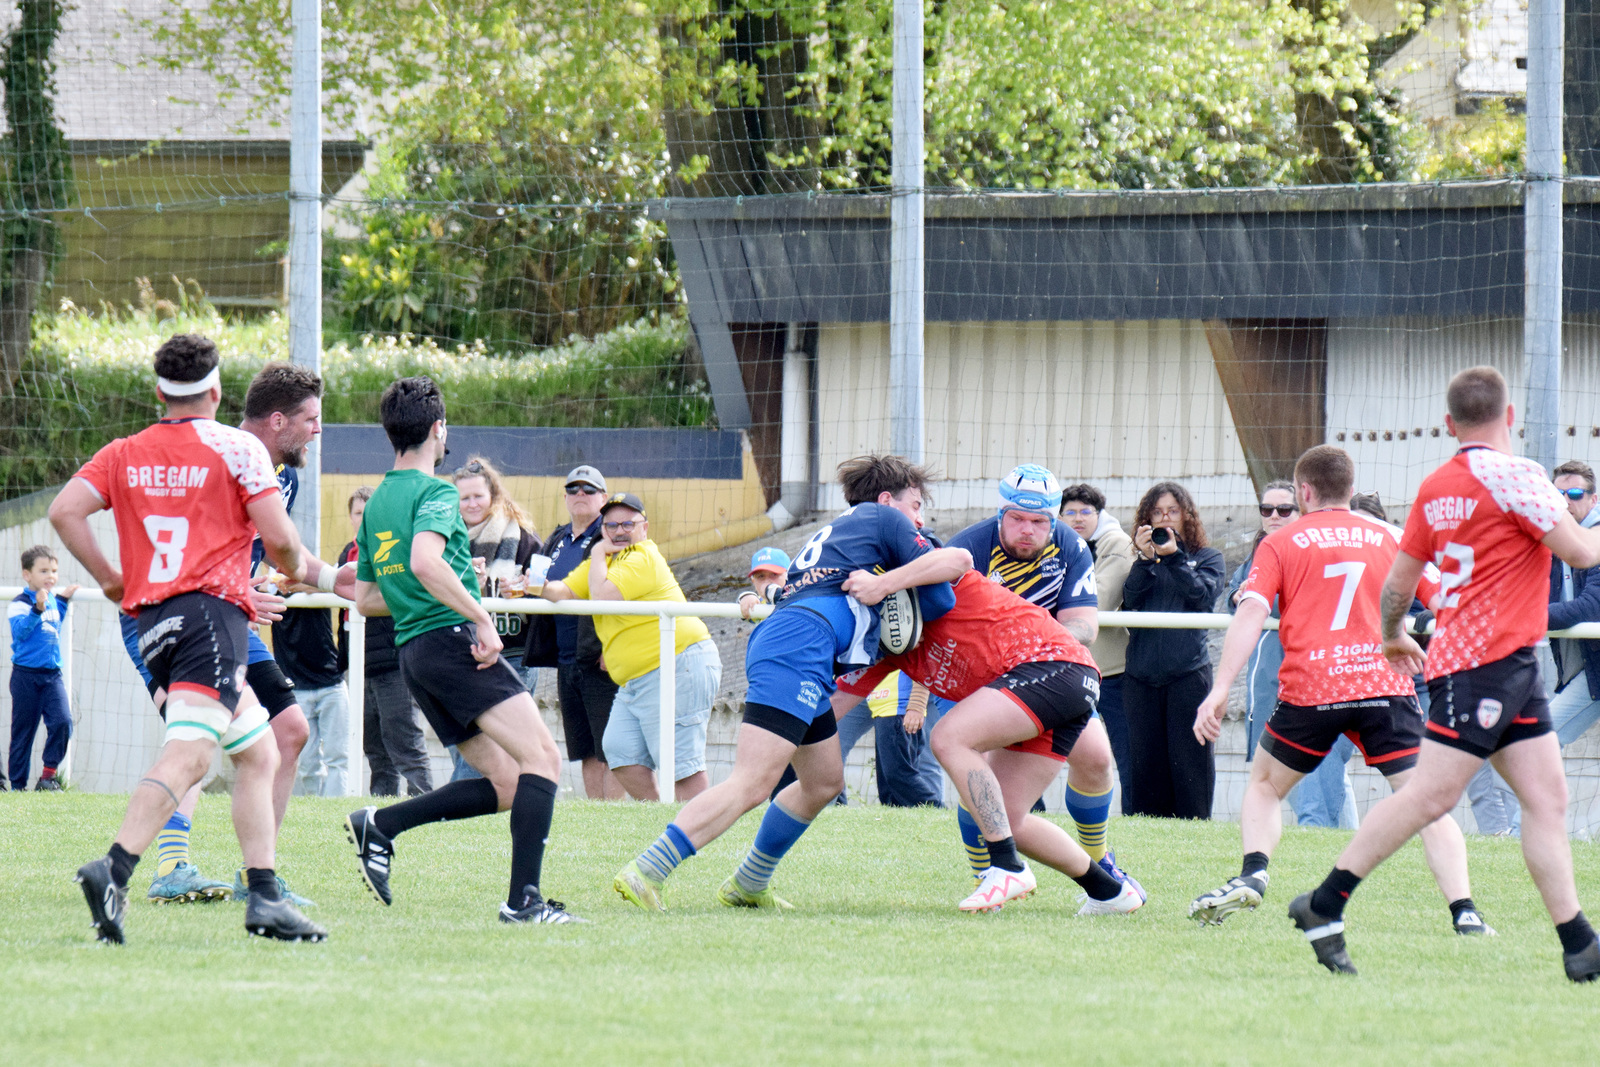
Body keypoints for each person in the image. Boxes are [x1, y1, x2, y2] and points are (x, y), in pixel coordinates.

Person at [1290, 366, 1600, 982]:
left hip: (1505, 664)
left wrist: (1391, 632)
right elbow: (1583, 552)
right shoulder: (1518, 476)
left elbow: (1400, 580)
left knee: (1547, 798)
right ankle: (1324, 902)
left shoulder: (1435, 486)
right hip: (1485, 666)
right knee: (1430, 796)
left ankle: (1579, 945)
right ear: (1509, 417)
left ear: (1449, 424)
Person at [49, 333, 325, 943]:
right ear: (217, 391)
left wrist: (110, 579)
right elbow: (281, 544)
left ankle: (264, 895)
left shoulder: (124, 452)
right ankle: (114, 868)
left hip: (153, 625)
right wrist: (301, 569)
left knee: (261, 750)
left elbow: (65, 511)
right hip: (211, 619)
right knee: (192, 755)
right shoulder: (237, 448)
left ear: (159, 392)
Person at [612, 454, 970, 912]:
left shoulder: (844, 534)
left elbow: (787, 592)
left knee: (823, 781)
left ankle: (748, 882)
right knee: (753, 781)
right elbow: (943, 592)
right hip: (798, 647)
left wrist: (887, 585)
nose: (919, 520)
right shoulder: (883, 519)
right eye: (915, 506)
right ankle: (647, 868)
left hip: (800, 648)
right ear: (886, 500)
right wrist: (895, 586)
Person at [1189, 445, 1489, 938]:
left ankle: (1253, 873)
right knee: (1426, 802)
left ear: (1303, 492)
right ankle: (1466, 912)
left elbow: (1251, 612)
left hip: (1313, 689)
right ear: (1351, 489)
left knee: (1265, 786)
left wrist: (1221, 687)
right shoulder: (1392, 536)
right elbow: (1450, 604)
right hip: (1383, 688)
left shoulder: (1281, 542)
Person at [344, 377, 580, 925]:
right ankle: (524, 903)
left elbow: (366, 598)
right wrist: (479, 617)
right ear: (438, 429)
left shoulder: (377, 503)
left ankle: (382, 825)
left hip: (416, 655)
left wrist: (421, 596)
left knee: (507, 783)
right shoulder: (436, 493)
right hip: (454, 644)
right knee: (543, 759)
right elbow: (425, 562)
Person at [836, 570, 1144, 915]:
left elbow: (957, 559)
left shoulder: (947, 583)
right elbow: (832, 707)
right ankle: (1110, 893)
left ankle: (1006, 866)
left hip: (1056, 667)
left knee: (949, 737)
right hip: (1052, 688)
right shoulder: (888, 650)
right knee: (1006, 820)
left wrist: (883, 583)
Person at [947, 465, 1140, 899]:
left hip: (1050, 672)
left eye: (1038, 521)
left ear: (1052, 520)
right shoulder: (969, 548)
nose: (1027, 530)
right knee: (984, 773)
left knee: (1096, 759)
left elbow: (1085, 626)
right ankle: (986, 874)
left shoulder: (1070, 546)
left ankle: (1100, 863)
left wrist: (1032, 645)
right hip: (982, 676)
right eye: (1017, 518)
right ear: (1000, 514)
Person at [540, 492, 721, 801]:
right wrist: (533, 586)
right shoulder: (605, 562)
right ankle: (664, 822)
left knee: (681, 767)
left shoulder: (642, 555)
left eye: (627, 524)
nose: (619, 531)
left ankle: (701, 827)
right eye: (611, 525)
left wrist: (598, 552)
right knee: (620, 752)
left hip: (677, 665)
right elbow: (564, 591)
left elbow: (602, 598)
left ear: (644, 528)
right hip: (636, 677)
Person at [1230, 481, 1358, 830]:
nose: (1274, 516)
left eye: (1284, 509)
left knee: (1317, 795)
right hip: (1270, 690)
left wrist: (1255, 598)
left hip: (1317, 689)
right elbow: (1234, 598)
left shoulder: (1316, 550)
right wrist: (1242, 597)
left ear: (1301, 509)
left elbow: (1291, 603)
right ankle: (1342, 844)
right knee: (1312, 788)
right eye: (1266, 509)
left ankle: (1330, 846)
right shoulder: (1258, 555)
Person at [1121, 481, 1226, 819]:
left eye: (1172, 511)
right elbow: (1130, 602)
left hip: (1188, 676)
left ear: (1186, 516)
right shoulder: (1142, 561)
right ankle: (1147, 831)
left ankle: (1195, 831)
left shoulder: (1208, 558)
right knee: (1145, 767)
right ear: (1147, 519)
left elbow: (1202, 599)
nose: (1165, 518)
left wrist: (1175, 558)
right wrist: (1146, 560)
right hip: (1140, 678)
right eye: (1157, 512)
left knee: (1191, 766)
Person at [525, 465, 622, 800]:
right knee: (584, 748)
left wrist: (610, 647)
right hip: (566, 659)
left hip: (599, 658)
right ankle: (596, 816)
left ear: (603, 498)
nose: (580, 494)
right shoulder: (555, 539)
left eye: (589, 489)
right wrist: (520, 586)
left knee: (611, 747)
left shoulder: (611, 538)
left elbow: (620, 592)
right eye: (573, 488)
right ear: (565, 497)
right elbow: (537, 587)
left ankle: (615, 816)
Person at [449, 456, 543, 782]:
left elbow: (544, 589)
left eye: (478, 496)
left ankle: (457, 805)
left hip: (513, 656)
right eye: (464, 498)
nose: (472, 504)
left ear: (494, 496)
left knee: (499, 745)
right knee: (467, 745)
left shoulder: (524, 540)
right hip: (462, 655)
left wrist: (523, 590)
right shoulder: (444, 541)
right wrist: (466, 584)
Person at [339, 487, 433, 798]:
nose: (363, 519)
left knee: (404, 740)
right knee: (374, 747)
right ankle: (382, 805)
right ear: (350, 518)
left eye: (369, 512)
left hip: (395, 664)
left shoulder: (395, 548)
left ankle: (422, 800)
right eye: (358, 513)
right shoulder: (347, 554)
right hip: (360, 666)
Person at [1059, 484, 1134, 806]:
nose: (1078, 518)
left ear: (1099, 514)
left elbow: (1099, 600)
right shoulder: (1054, 545)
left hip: (1111, 671)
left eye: (1086, 512)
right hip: (1068, 668)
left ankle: (1134, 813)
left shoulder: (1115, 543)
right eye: (1070, 512)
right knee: (1059, 748)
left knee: (1125, 751)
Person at [8, 545, 78, 791]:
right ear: (27, 575)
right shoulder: (19, 604)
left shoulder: (51, 601)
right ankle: (17, 786)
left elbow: (55, 619)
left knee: (62, 722)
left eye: (54, 571)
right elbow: (21, 633)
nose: (51, 576)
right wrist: (37, 609)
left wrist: (63, 599)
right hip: (25, 676)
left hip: (52, 676)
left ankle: (48, 777)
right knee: (23, 733)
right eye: (44, 571)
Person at [272, 584, 348, 797]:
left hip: (331, 684)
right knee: (307, 762)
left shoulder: (315, 583)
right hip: (296, 689)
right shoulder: (268, 589)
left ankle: (335, 809)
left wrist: (299, 583)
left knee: (338, 757)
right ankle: (315, 805)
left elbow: (330, 584)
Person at [1547, 460, 1600, 749]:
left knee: (1537, 741)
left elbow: (1591, 607)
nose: (1566, 501)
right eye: (1558, 495)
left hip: (1594, 671)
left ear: (1594, 499)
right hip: (1585, 669)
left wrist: (1524, 617)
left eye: (1575, 494)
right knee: (1533, 743)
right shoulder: (1555, 544)